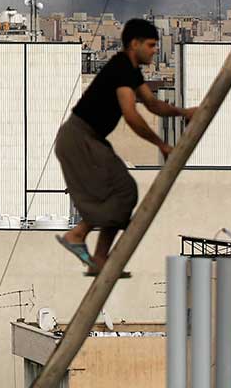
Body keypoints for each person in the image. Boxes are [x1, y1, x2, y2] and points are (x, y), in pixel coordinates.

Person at [54, 18, 195, 275]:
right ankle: (79, 236)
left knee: (123, 191)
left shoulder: (130, 71)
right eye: (151, 45)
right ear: (135, 44)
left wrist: (183, 112)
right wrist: (160, 144)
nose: (155, 50)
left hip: (89, 138)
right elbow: (131, 115)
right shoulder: (121, 68)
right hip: (79, 138)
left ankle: (97, 257)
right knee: (122, 190)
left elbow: (152, 104)